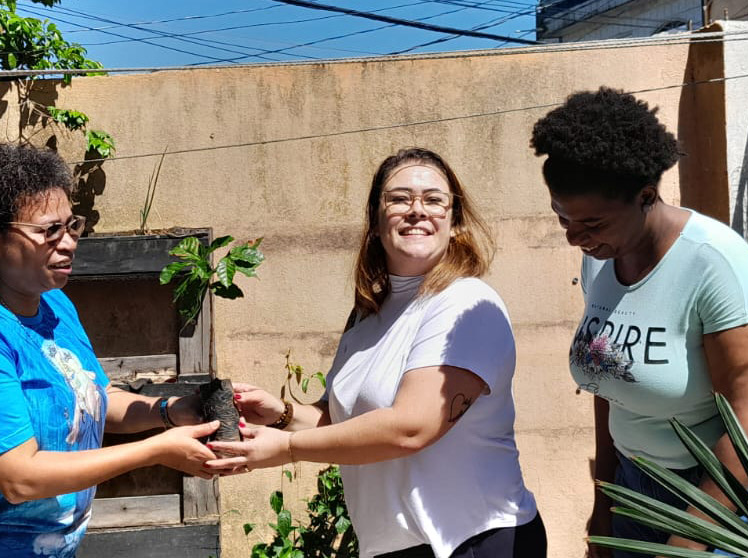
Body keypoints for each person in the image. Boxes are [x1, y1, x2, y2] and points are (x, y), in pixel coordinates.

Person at [529, 87, 748, 558]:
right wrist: (606, 498)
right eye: (562, 217)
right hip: (642, 487)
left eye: (591, 223)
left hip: (745, 488)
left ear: (646, 196)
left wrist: (690, 538)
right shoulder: (603, 258)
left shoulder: (715, 264)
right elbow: (609, 383)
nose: (575, 238)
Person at [207, 147, 546, 558]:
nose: (417, 210)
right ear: (376, 220)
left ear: (454, 222)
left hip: (470, 541)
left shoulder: (465, 304)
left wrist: (285, 449)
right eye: (399, 198)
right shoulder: (366, 317)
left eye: (434, 200)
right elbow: (342, 419)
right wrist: (282, 414)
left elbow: (410, 428)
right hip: (394, 547)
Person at [0, 143, 221, 558]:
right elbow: (20, 478)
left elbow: (92, 397)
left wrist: (168, 411)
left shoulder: (53, 304)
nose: (68, 243)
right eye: (49, 230)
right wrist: (156, 450)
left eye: (72, 226)